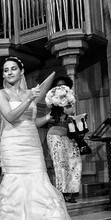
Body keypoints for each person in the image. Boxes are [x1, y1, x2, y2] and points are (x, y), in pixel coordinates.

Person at [0, 56, 111, 220]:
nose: (9, 73)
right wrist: (29, 97)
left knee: (39, 188)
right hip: (13, 146)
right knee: (16, 189)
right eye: (6, 70)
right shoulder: (0, 94)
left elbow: (29, 122)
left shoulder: (29, 93)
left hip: (31, 144)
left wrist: (48, 117)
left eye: (13, 68)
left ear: (21, 70)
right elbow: (11, 117)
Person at [45, 75, 82, 203]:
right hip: (55, 135)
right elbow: (51, 119)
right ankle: (63, 192)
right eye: (58, 86)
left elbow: (71, 113)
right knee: (60, 164)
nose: (60, 88)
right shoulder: (51, 101)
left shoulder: (70, 100)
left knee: (74, 162)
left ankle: (72, 191)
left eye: (63, 85)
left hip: (70, 135)